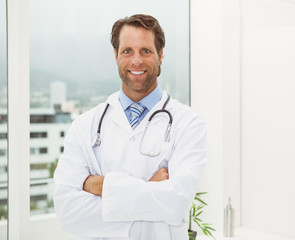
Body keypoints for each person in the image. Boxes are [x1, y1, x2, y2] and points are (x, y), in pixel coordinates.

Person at [53, 14, 207, 240]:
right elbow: (68, 212)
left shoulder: (189, 124)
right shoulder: (84, 126)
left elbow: (175, 203)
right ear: (116, 55)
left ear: (160, 55)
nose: (136, 61)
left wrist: (97, 185)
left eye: (145, 50)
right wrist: (148, 189)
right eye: (127, 51)